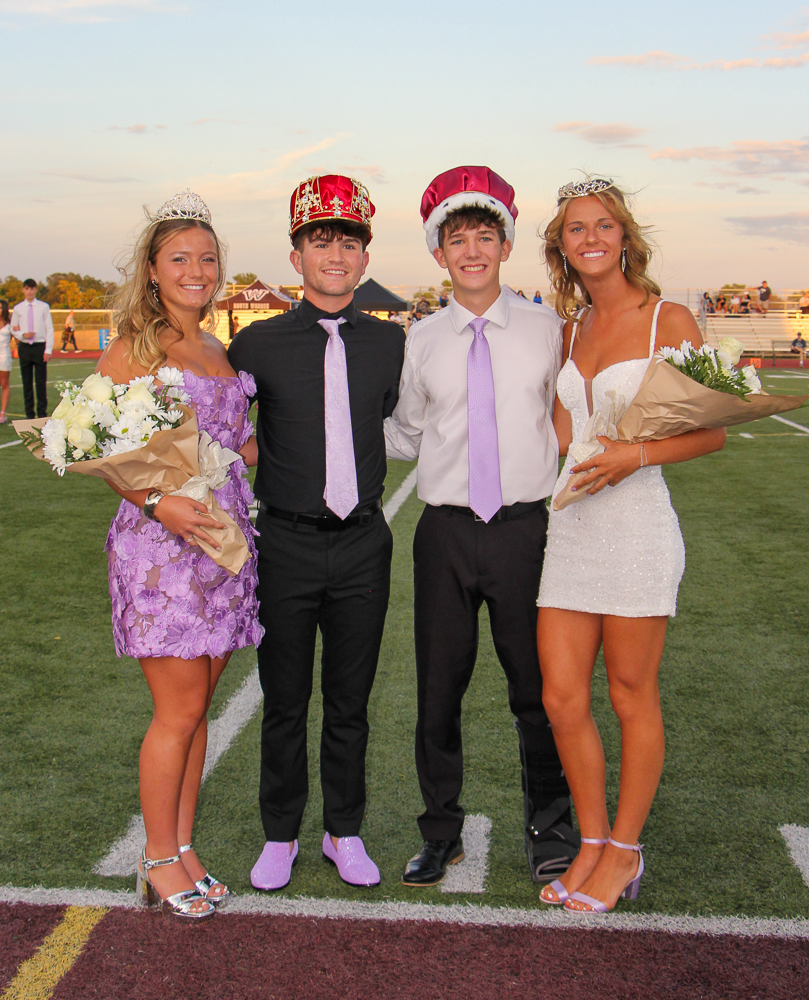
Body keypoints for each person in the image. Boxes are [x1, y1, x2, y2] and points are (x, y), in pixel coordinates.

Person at [535, 177, 725, 913]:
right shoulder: (566, 329)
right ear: (561, 245)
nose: (590, 237)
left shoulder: (666, 318)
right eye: (575, 228)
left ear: (623, 236)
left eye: (602, 225)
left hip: (638, 524)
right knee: (560, 696)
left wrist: (632, 457)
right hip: (571, 525)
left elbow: (709, 431)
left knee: (628, 693)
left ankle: (624, 850)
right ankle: (587, 841)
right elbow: (557, 434)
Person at [385, 166, 577, 888]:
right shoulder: (421, 339)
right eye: (455, 238)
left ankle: (550, 826)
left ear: (504, 244)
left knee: (536, 686)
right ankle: (440, 833)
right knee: (438, 688)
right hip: (443, 532)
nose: (471, 250)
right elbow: (406, 431)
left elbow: (573, 416)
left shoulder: (547, 330)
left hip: (524, 530)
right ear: (438, 253)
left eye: (484, 236)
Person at [228, 175, 405, 892]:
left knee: (349, 700)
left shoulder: (391, 345)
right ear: (296, 253)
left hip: (363, 540)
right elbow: (224, 432)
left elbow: (399, 421)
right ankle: (279, 833)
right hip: (288, 541)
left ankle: (344, 829)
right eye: (320, 238)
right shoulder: (256, 344)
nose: (335, 252)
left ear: (365, 256)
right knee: (285, 698)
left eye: (349, 240)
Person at [97, 189, 263, 919]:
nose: (195, 269)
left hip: (224, 549)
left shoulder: (217, 348)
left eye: (206, 258)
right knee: (177, 709)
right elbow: (99, 447)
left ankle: (183, 845)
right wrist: (157, 501)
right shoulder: (135, 346)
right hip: (162, 549)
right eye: (179, 258)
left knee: (198, 711)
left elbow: (236, 445)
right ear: (153, 269)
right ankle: (157, 857)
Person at [10, 279, 53, 418]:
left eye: (32, 288)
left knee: (41, 383)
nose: (29, 291)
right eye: (27, 288)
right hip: (25, 347)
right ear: (23, 290)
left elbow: (49, 328)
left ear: (36, 290)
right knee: (27, 383)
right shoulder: (18, 308)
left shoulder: (43, 307)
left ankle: (42, 414)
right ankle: (29, 414)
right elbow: (13, 328)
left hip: (39, 346)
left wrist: (48, 349)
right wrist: (23, 334)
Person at [0, 300, 11, 423]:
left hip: (4, 356)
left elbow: (17, 336)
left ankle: (3, 412)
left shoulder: (9, 324)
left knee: (4, 383)